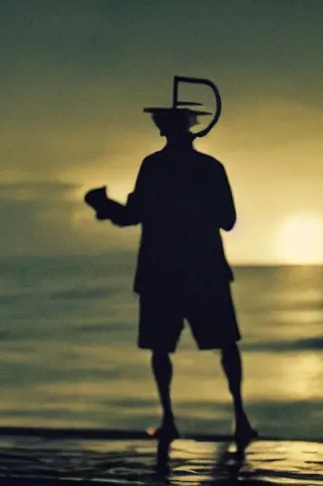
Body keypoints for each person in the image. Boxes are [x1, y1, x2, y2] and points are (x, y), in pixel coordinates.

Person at [85, 107, 256, 446]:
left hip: (162, 272)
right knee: (223, 344)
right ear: (191, 130)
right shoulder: (208, 168)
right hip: (203, 269)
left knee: (162, 348)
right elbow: (229, 219)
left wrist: (105, 207)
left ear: (165, 130)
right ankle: (239, 418)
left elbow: (133, 216)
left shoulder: (155, 167)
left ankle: (171, 419)